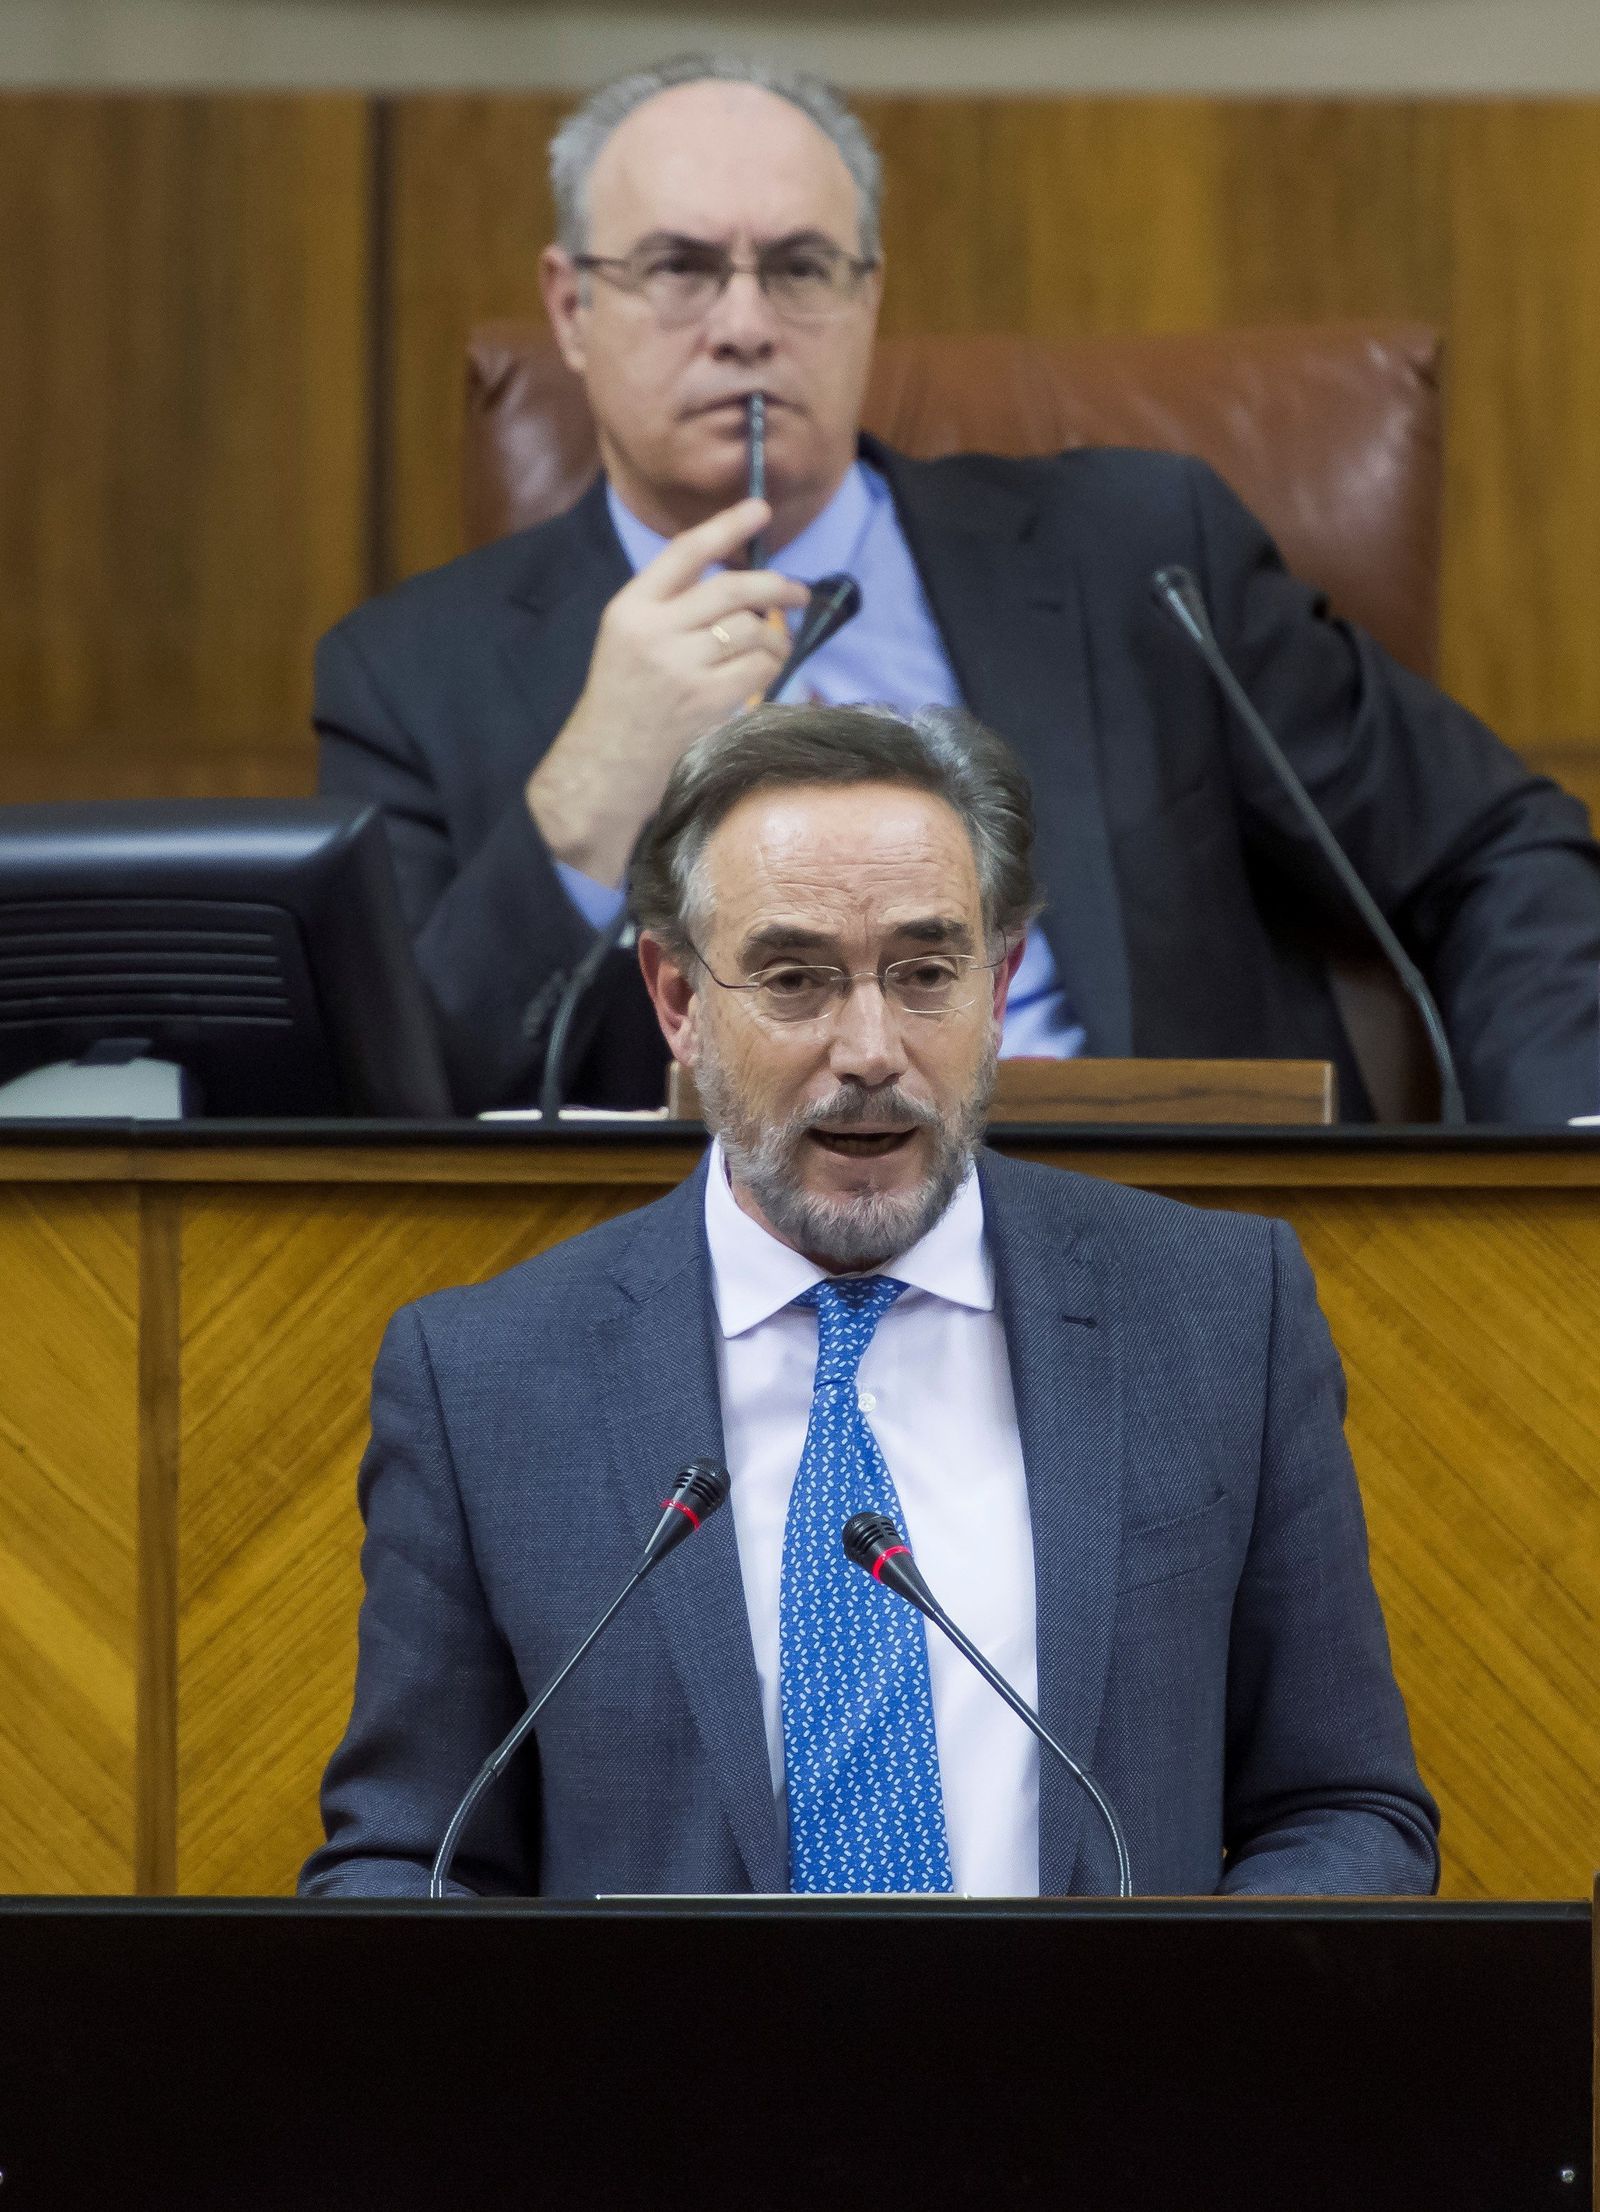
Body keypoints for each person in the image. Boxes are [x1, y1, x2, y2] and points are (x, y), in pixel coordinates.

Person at [315, 57, 1600, 1127]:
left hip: (1164, 1269)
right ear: (571, 305)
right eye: (680, 267)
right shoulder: (412, 675)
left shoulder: (1142, 559)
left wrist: (1549, 1200)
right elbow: (383, 1120)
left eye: (804, 267)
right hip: (706, 1326)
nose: (747, 322)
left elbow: (1496, 849)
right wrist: (581, 815)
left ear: (869, 296)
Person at [301, 703, 1439, 1900]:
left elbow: (1342, 1805)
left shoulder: (1217, 1318)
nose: (870, 1048)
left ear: (998, 986)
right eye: (795, 979)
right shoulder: (485, 1378)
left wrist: (1171, 2041)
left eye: (926, 973)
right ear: (678, 1000)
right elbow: (406, 1859)